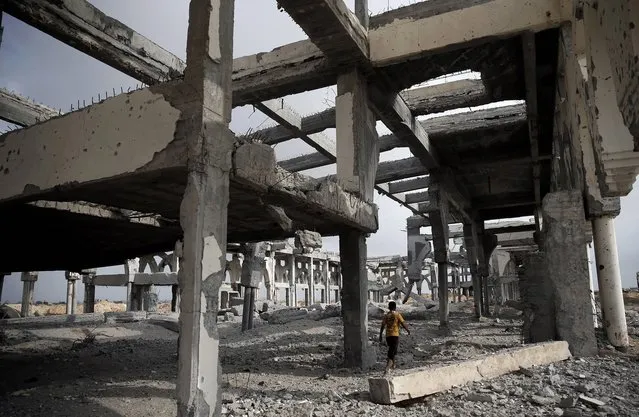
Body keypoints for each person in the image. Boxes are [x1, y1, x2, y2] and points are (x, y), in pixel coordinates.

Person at [379, 301, 410, 375]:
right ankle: (387, 368)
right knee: (392, 352)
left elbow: (383, 325)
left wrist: (380, 335)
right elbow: (403, 323)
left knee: (392, 351)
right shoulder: (397, 314)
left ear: (389, 307)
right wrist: (408, 330)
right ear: (395, 307)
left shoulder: (386, 315)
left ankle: (393, 366)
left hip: (388, 336)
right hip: (395, 335)